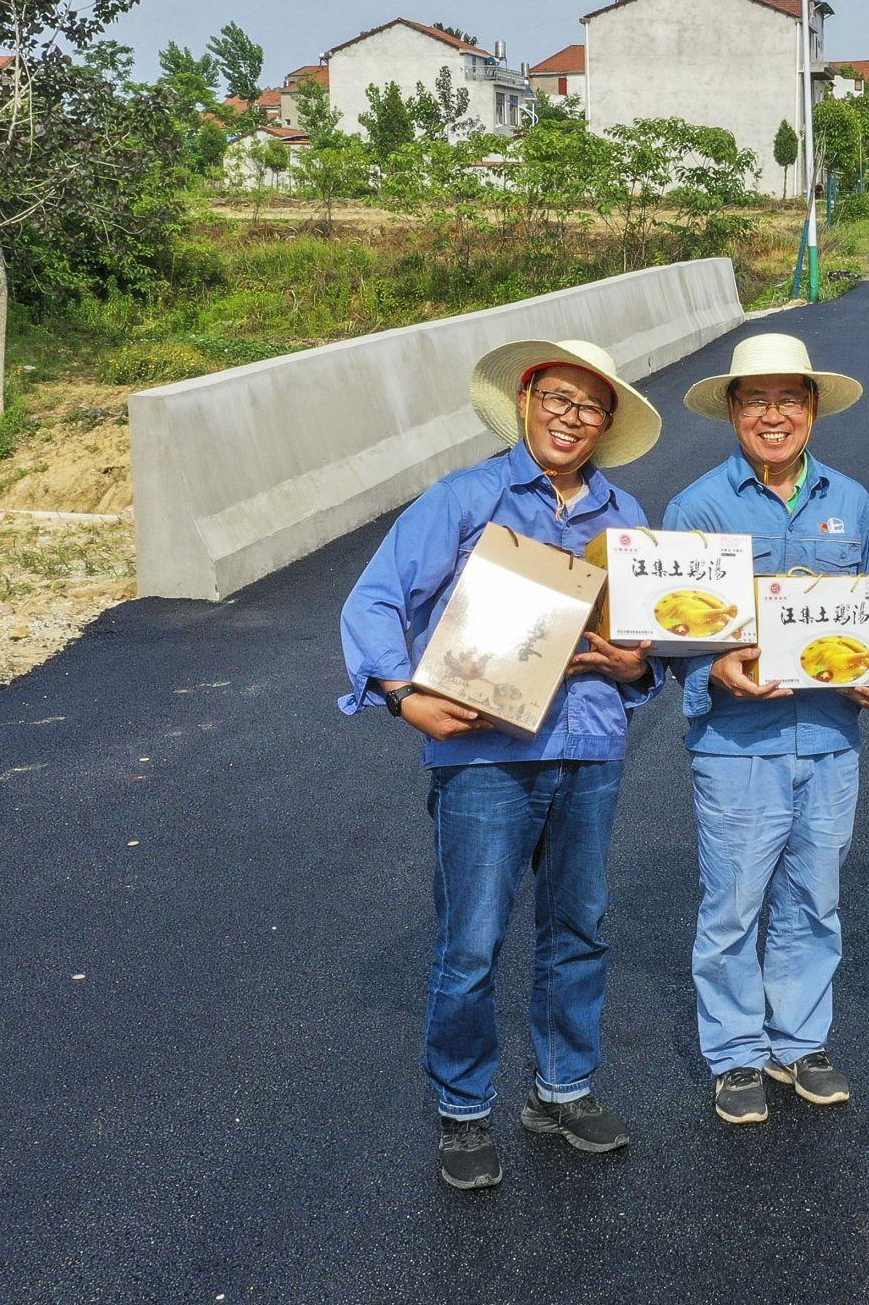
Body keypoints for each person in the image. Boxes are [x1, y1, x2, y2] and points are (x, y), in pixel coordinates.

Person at [338, 338, 666, 1187]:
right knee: (473, 939)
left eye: (589, 406)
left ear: (607, 424)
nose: (570, 418)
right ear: (525, 401)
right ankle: (464, 1109)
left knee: (581, 927)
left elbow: (644, 645)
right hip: (485, 755)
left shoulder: (624, 516)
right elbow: (377, 598)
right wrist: (402, 693)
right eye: (556, 398)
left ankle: (563, 1089)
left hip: (588, 746)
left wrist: (635, 666)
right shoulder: (464, 498)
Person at [661, 333, 869, 1126]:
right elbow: (666, 626)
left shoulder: (850, 502)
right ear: (733, 411)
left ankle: (797, 1041)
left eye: (789, 400)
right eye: (756, 400)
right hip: (737, 746)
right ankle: (734, 1051)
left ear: (813, 410)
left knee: (815, 896)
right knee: (732, 902)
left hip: (832, 740)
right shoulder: (696, 507)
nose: (774, 416)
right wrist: (711, 671)